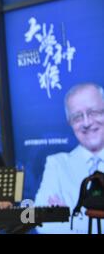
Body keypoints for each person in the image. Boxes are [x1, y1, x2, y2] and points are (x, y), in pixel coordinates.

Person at [35, 83, 104, 234]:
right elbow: (43, 223)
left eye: (93, 112)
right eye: (77, 117)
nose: (87, 123)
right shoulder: (57, 164)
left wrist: (73, 218)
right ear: (70, 123)